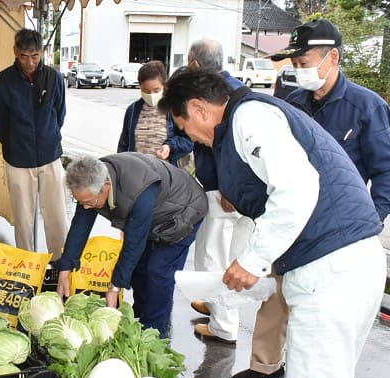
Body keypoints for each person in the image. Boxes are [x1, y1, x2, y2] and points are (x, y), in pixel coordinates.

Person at [163, 69, 386, 378]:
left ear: (198, 108)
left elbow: (297, 190)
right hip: (335, 265)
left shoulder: (250, 117)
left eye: (184, 126)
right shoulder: (248, 120)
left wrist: (252, 260)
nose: (191, 139)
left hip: (334, 268)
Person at [225, 19, 390, 378]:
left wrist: (374, 217)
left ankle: (307, 372)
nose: (297, 70)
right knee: (276, 294)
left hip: (338, 230)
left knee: (322, 314)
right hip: (292, 220)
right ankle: (266, 366)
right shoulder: (293, 104)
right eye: (294, 63)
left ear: (332, 57)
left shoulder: (366, 107)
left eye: (304, 62)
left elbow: (387, 171)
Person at [55, 154, 206, 337]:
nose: (86, 207)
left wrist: (115, 288)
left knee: (158, 271)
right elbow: (80, 225)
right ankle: (141, 316)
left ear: (106, 186)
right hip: (155, 212)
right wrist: (65, 269)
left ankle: (155, 332)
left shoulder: (137, 191)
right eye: (80, 202)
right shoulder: (90, 178)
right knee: (139, 268)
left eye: (89, 202)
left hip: (184, 210)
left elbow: (133, 244)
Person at [183, 39, 266, 347]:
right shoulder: (239, 88)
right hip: (243, 191)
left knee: (214, 259)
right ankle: (219, 308)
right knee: (232, 256)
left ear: (194, 64)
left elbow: (223, 145)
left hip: (225, 193)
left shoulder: (211, 94)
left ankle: (224, 326)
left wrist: (228, 188)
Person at [0, 28, 68, 260]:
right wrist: (13, 143)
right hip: (18, 160)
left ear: (41, 52)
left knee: (56, 215)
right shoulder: (2, 81)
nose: (29, 62)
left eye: (34, 56)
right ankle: (27, 264)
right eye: (24, 56)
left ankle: (59, 263)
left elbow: (59, 114)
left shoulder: (54, 78)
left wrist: (48, 137)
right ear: (15, 52)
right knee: (22, 218)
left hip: (50, 157)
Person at [117, 60, 193, 165]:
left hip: (165, 174)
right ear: (140, 87)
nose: (151, 95)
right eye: (146, 91)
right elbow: (123, 145)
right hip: (137, 173)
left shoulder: (174, 108)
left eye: (156, 90)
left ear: (164, 86)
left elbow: (188, 141)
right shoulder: (132, 110)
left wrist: (169, 146)